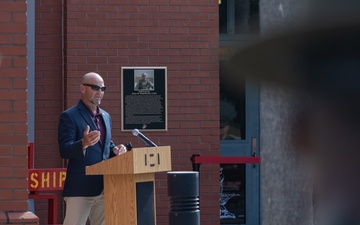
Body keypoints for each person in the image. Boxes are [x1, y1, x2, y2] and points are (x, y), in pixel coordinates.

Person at [58, 72, 127, 225]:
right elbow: (64, 150)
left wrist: (116, 149)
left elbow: (106, 147)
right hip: (80, 188)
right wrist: (83, 143)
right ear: (82, 88)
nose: (100, 92)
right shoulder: (69, 116)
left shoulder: (106, 116)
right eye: (95, 87)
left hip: (104, 187)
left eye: (103, 88)